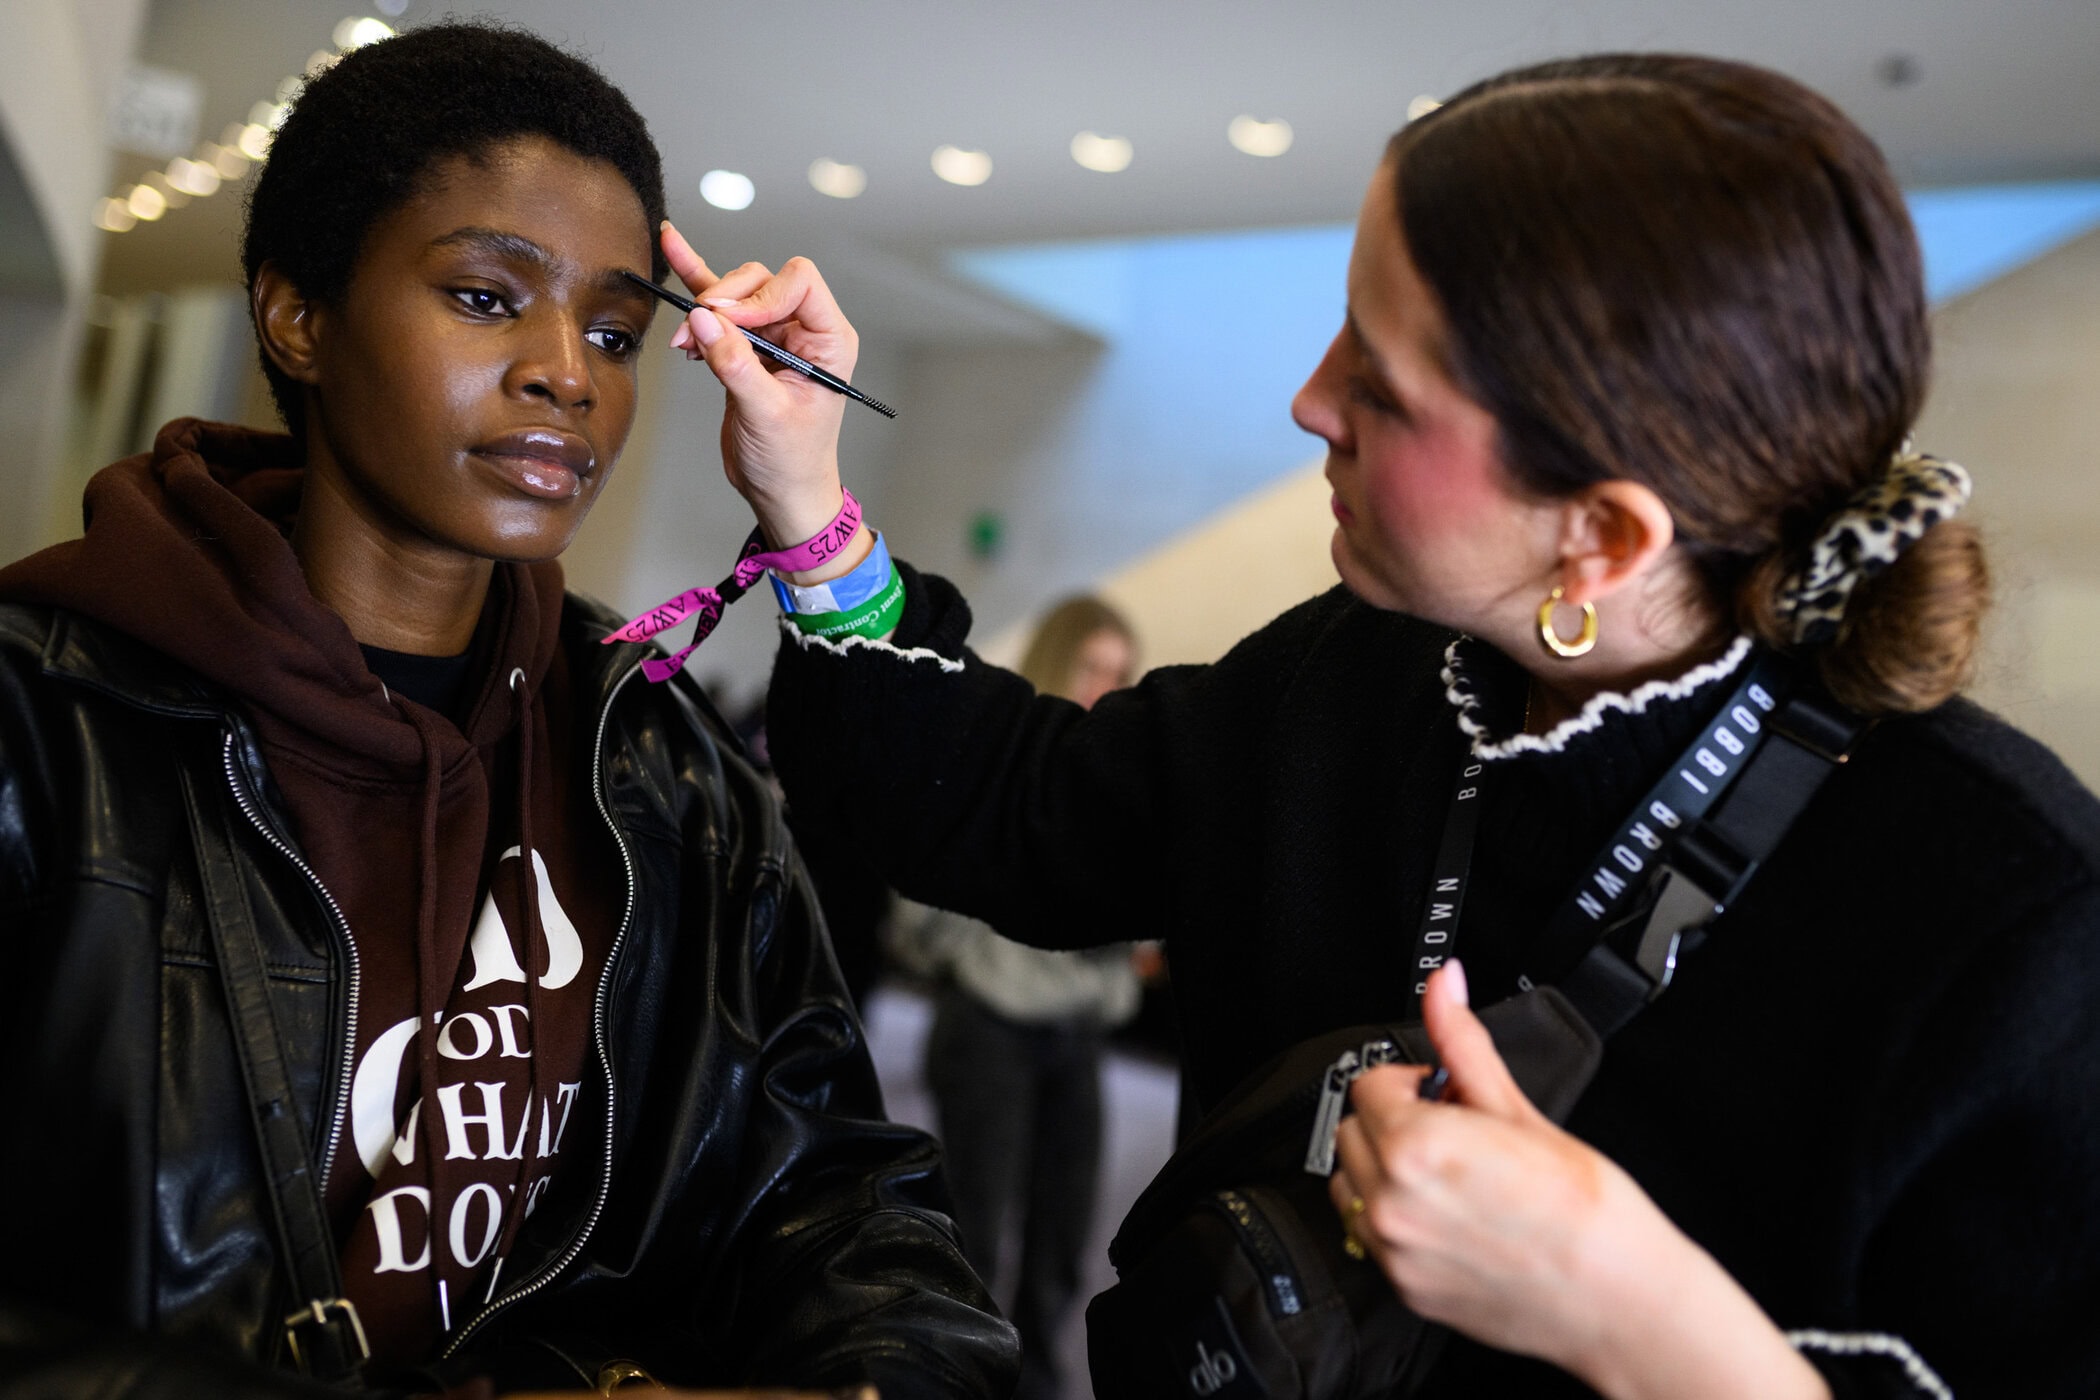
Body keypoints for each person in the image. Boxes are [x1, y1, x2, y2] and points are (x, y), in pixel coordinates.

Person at [649, 52, 2100, 1399]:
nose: (1306, 401)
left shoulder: (2010, 917)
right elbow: (1025, 811)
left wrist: (1631, 1307)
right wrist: (813, 516)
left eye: (1381, 388)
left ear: (1598, 539)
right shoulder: (1373, 671)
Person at [0, 23, 1015, 1399]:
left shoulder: (659, 763)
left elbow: (836, 1196)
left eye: (612, 329)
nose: (569, 374)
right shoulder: (43, 721)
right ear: (297, 316)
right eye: (487, 298)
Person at [888, 596, 1142, 1400]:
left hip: (1078, 1031)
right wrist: (976, 948)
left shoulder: (1122, 777)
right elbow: (918, 896)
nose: (1106, 686)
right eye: (1092, 666)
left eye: (1120, 673)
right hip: (989, 1025)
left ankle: (1035, 1382)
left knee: (1067, 1239)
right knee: (974, 1227)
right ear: (1057, 660)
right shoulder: (1000, 754)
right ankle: (960, 1376)